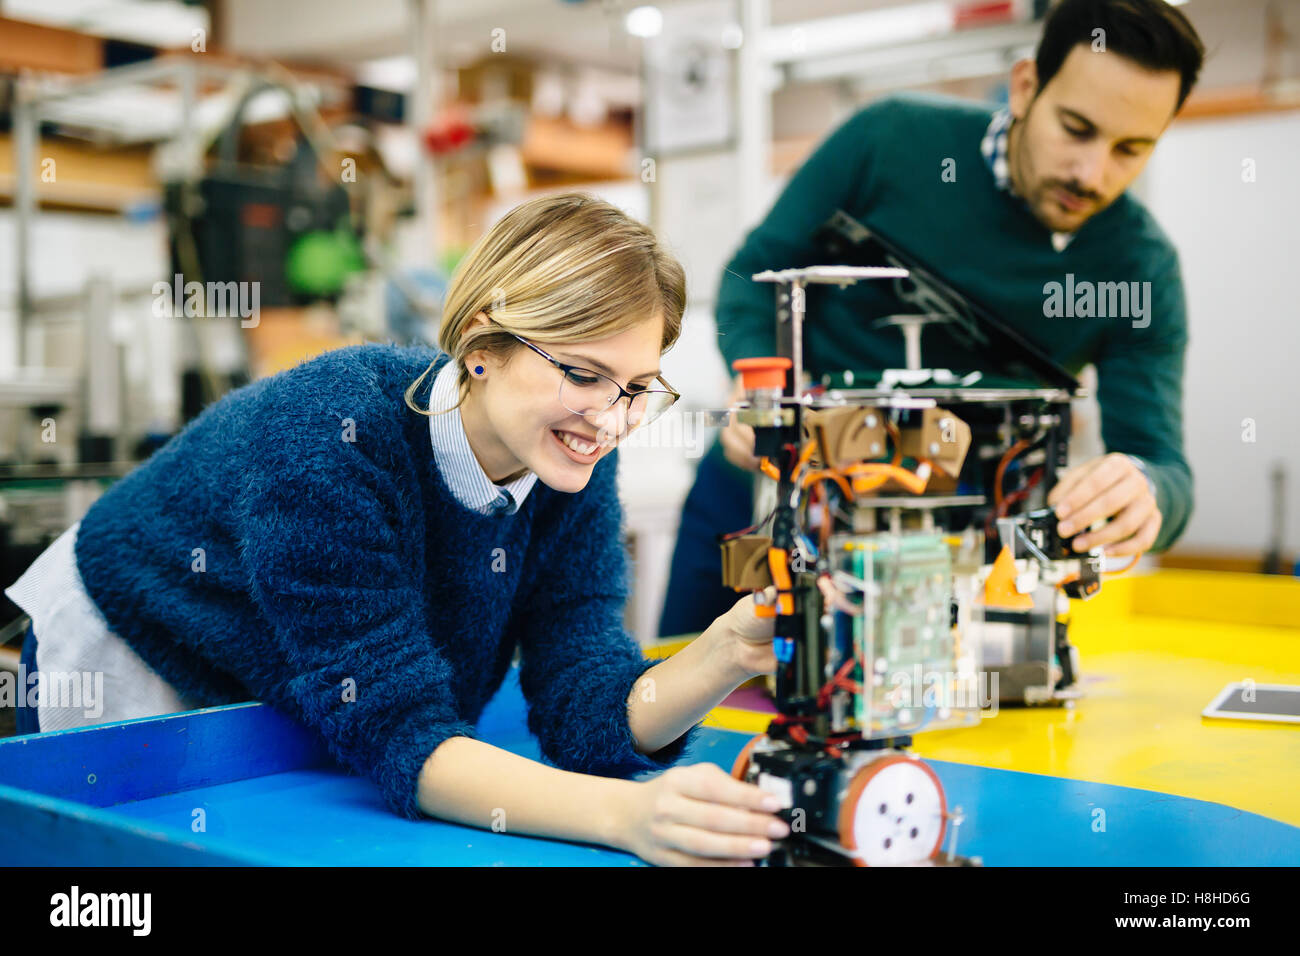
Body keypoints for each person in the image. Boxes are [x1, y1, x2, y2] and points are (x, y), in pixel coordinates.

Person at [5, 193, 790, 867]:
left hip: (290, 668)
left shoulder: (572, 460)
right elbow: (398, 732)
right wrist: (629, 819)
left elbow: (583, 700)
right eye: (583, 374)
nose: (611, 418)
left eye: (638, 388)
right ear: (483, 343)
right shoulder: (334, 432)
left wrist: (724, 652)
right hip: (142, 630)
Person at [660, 0, 1204, 637]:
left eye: (1131, 149)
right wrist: (760, 393)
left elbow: (1164, 466)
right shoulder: (889, 141)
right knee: (676, 700)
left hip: (952, 554)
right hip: (769, 496)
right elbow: (750, 279)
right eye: (1076, 128)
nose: (1093, 174)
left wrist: (1143, 492)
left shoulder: (1138, 266)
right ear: (1027, 87)